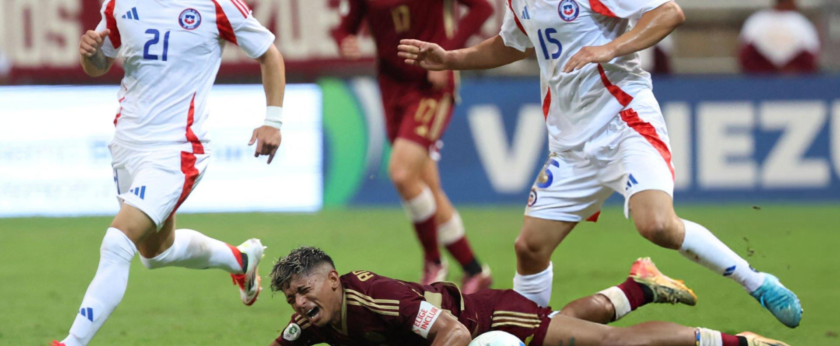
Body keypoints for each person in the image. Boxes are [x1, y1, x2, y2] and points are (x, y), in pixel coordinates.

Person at [398, 0, 802, 329]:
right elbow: (511, 45)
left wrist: (611, 46)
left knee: (658, 227)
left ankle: (756, 281)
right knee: (529, 248)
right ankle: (533, 331)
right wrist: (450, 58)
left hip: (626, 125)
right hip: (571, 146)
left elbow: (669, 12)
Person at [52, 0, 286, 346]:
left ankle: (71, 342)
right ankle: (240, 259)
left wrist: (272, 119)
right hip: (128, 144)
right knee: (154, 254)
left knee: (116, 242)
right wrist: (91, 56)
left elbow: (269, 53)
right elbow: (103, 65)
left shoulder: (217, 2)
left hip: (179, 148)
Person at [332, 0, 495, 291]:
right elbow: (345, 26)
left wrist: (448, 56)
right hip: (391, 89)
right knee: (428, 188)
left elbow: (481, 6)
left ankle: (433, 264)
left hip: (430, 86)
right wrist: (346, 40)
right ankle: (476, 271)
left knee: (402, 173)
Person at [268, 246, 789, 346]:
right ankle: (641, 284)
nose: (298, 305)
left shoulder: (376, 298)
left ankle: (738, 342)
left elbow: (450, 332)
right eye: (291, 298)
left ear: (332, 280)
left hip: (490, 322)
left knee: (606, 343)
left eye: (304, 292)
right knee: (564, 325)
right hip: (480, 326)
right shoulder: (314, 322)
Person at [739, 0, 820, 73]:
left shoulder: (757, 20)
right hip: (762, 76)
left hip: (794, 77)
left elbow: (810, 57)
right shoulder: (758, 20)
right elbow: (746, 54)